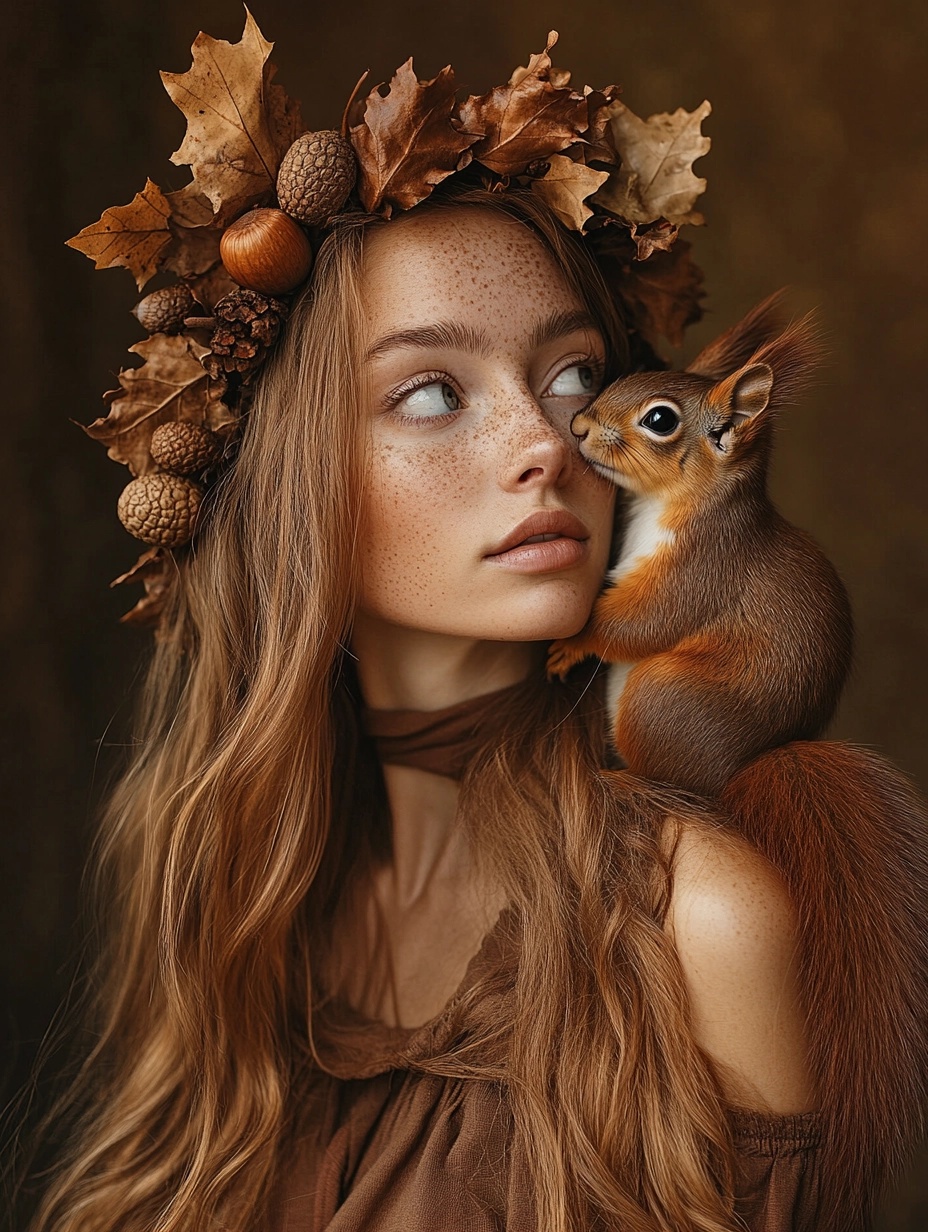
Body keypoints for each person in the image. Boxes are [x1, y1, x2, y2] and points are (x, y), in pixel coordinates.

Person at [28, 21, 928, 1232]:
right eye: (433, 392)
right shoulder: (234, 914)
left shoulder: (698, 925)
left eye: (570, 380)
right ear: (296, 493)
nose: (548, 444)